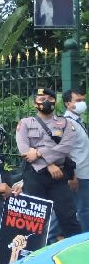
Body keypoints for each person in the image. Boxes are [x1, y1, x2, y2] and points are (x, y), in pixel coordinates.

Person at [15, 88, 82, 239]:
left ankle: (77, 248)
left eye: (50, 98)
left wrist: (39, 153)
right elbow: (25, 150)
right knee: (35, 220)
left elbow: (65, 148)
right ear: (35, 103)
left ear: (55, 101)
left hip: (58, 176)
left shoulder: (65, 124)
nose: (46, 101)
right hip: (34, 176)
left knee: (68, 216)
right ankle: (35, 250)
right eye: (42, 99)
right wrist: (48, 165)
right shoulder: (25, 123)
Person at [62, 89, 89, 232]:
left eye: (83, 100)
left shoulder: (78, 121)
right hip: (78, 174)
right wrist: (71, 175)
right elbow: (65, 152)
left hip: (84, 172)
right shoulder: (67, 123)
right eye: (78, 101)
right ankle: (84, 240)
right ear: (68, 104)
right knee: (83, 210)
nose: (82, 103)